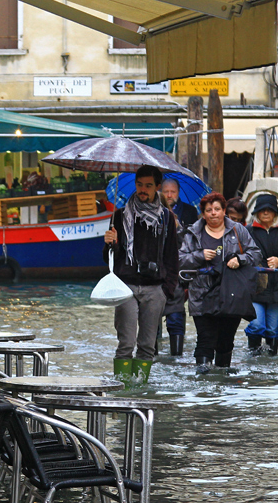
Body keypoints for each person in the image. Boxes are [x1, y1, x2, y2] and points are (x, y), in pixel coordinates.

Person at [103, 165, 179, 384]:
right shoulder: (119, 216)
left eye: (148, 185)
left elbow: (172, 256)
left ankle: (139, 391)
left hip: (155, 288)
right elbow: (108, 259)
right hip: (125, 285)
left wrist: (167, 289)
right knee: (125, 343)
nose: (142, 190)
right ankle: (122, 389)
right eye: (139, 185)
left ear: (157, 187)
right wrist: (111, 243)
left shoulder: (166, 218)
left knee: (147, 345)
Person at [179, 192, 261, 374]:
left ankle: (223, 379)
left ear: (224, 210)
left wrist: (240, 259)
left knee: (226, 339)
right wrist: (199, 256)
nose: (213, 213)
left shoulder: (238, 230)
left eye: (217, 209)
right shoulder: (193, 233)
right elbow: (180, 260)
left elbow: (255, 253)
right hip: (202, 293)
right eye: (209, 210)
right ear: (203, 213)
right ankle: (203, 381)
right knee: (205, 339)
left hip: (231, 293)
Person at [244, 194, 278, 356]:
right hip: (255, 288)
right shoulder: (247, 231)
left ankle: (270, 360)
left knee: (272, 329)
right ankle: (253, 356)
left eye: (269, 210)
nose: (266, 213)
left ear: (275, 212)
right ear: (257, 213)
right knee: (256, 325)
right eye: (262, 210)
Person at [159, 178, 198, 356]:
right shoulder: (152, 212)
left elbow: (192, 243)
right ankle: (153, 353)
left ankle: (176, 355)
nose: (169, 195)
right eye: (165, 192)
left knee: (175, 317)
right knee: (150, 318)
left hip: (177, 272)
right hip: (153, 273)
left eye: (172, 192)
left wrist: (178, 227)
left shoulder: (190, 212)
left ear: (178, 192)